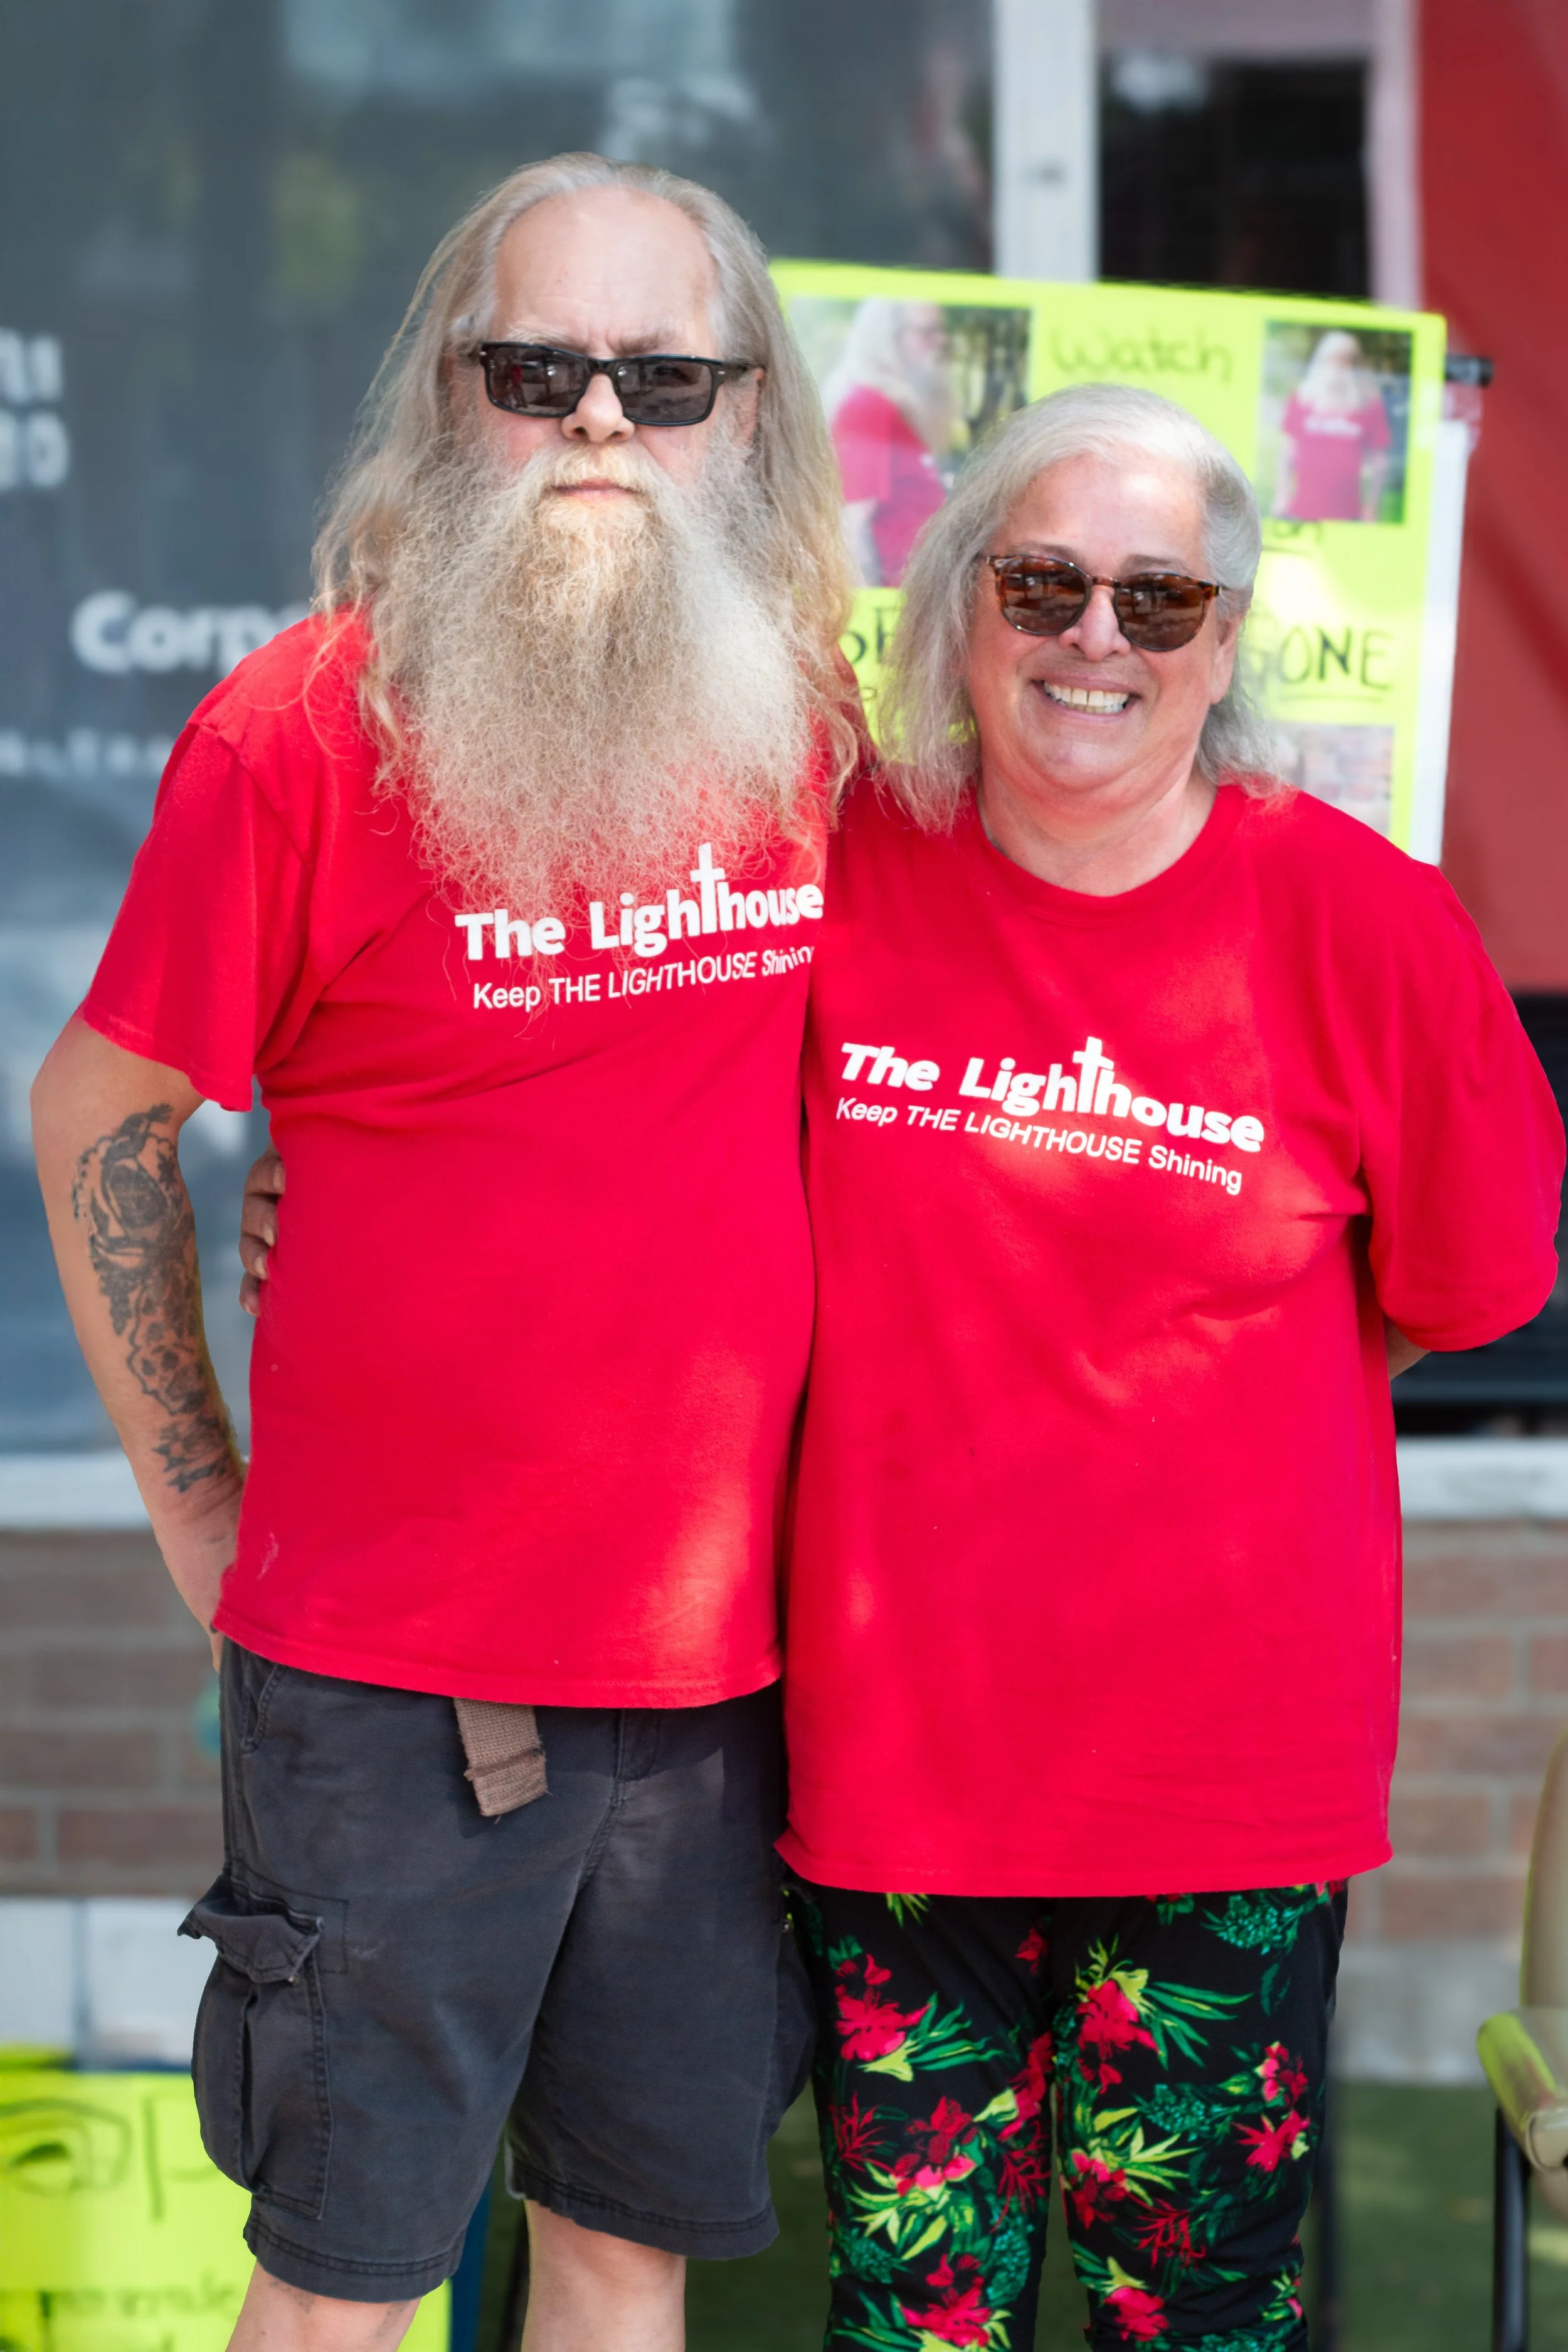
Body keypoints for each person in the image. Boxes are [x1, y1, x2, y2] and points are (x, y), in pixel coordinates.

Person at [31, 154, 857, 2352]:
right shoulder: (303, 732)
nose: (603, 421)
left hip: (715, 1682)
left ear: (747, 413)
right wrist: (207, 1514)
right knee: (341, 2286)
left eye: (665, 378)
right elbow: (97, 1113)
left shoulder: (818, 720)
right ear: (446, 397)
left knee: (621, 2256)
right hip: (392, 1682)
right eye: (540, 368)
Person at [778, 384, 1563, 2350]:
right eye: (1041, 581)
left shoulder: (1359, 920)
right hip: (896, 1755)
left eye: (1155, 596)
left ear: (1221, 642)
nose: (1092, 637)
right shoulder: (832, 863)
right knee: (913, 2306)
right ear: (961, 604)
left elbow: (1465, 1283)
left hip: (1221, 1764)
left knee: (1195, 2308)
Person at [825, 299, 951, 586]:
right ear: (888, 337)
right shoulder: (868, 407)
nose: (940, 341)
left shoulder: (895, 405)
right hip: (888, 599)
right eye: (927, 332)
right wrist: (871, 612)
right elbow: (853, 526)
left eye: (940, 330)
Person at [1273, 329, 1392, 524]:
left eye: (1346, 362)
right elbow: (1287, 452)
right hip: (1302, 512)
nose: (1338, 369)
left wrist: (1372, 506)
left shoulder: (1369, 405)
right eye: (1333, 360)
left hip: (1349, 515)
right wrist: (1282, 495)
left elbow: (1379, 462)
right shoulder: (1302, 400)